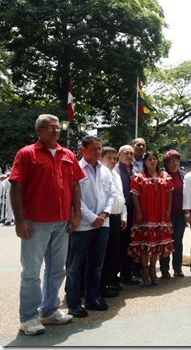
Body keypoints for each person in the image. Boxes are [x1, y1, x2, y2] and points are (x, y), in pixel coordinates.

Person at [9, 114, 85, 335]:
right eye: (48, 127)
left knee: (56, 269)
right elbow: (16, 187)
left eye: (56, 127)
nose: (54, 131)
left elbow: (75, 186)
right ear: (38, 131)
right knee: (31, 272)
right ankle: (28, 317)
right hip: (35, 222)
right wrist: (20, 220)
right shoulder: (26, 154)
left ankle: (49, 311)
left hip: (62, 222)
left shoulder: (67, 154)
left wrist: (76, 214)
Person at [66, 136, 116, 318]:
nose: (98, 152)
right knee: (75, 266)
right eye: (93, 149)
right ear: (83, 151)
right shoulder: (76, 169)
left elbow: (112, 194)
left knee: (96, 264)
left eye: (99, 148)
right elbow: (75, 199)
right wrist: (92, 217)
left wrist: (105, 214)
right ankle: (73, 302)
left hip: (103, 223)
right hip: (82, 225)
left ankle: (92, 297)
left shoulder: (105, 171)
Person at [129, 151, 175, 286]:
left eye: (154, 159)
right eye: (149, 159)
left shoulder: (165, 176)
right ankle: (144, 271)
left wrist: (168, 209)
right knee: (145, 244)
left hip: (161, 214)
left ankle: (153, 269)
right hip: (145, 214)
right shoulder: (139, 177)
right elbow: (135, 196)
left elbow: (170, 194)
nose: (152, 161)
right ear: (145, 162)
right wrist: (138, 212)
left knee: (156, 244)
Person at [99, 147, 127, 298]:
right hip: (105, 219)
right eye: (108, 157)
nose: (111, 161)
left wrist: (124, 216)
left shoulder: (116, 175)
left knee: (113, 253)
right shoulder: (100, 173)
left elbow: (120, 197)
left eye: (114, 158)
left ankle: (108, 282)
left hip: (117, 218)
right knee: (102, 255)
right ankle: (100, 286)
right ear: (101, 158)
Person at [159, 150, 186, 279]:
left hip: (180, 214)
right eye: (171, 161)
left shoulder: (183, 175)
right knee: (165, 241)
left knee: (178, 241)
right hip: (165, 215)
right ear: (166, 163)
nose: (174, 164)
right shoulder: (161, 176)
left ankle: (177, 268)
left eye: (176, 161)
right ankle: (164, 269)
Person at [117, 145, 140, 286]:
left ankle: (127, 274)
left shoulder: (135, 170)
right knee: (118, 245)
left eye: (131, 154)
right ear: (119, 155)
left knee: (130, 244)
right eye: (126, 153)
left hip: (133, 210)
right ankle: (113, 276)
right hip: (119, 211)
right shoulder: (114, 170)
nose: (129, 156)